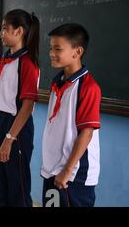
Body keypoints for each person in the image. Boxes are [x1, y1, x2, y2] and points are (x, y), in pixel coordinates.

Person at [0, 9, 40, 207]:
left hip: (14, 128)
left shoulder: (27, 63)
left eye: (5, 28)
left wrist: (9, 139)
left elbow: (27, 105)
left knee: (17, 188)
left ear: (19, 31)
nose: (1, 33)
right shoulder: (5, 60)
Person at [41, 24, 101, 207]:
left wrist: (67, 172)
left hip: (74, 176)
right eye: (51, 48)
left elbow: (86, 133)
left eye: (57, 48)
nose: (51, 53)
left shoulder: (88, 87)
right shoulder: (57, 82)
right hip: (52, 171)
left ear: (78, 51)